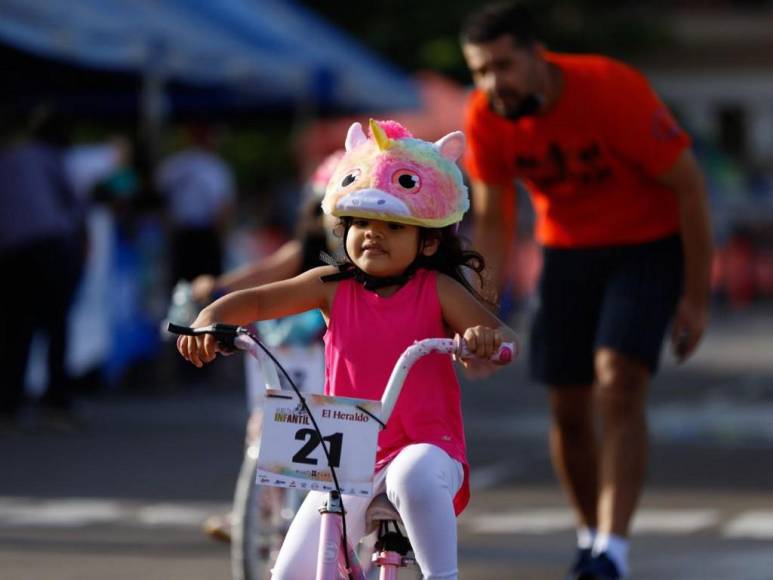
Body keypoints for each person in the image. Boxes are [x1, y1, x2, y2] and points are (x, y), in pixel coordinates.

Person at [177, 119, 518, 579]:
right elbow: (258, 301)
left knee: (411, 475)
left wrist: (485, 340)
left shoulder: (437, 289)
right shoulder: (331, 286)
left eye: (394, 226)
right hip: (346, 455)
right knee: (290, 574)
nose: (373, 234)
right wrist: (206, 321)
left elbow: (503, 339)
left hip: (426, 446)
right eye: (362, 223)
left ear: (429, 240)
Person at [459, 3, 713, 579]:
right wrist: (482, 309)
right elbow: (496, 221)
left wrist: (695, 296)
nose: (493, 82)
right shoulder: (486, 116)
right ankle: (589, 538)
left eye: (504, 65)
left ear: (537, 54)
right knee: (568, 407)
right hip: (567, 254)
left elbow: (691, 188)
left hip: (646, 248)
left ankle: (614, 553)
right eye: (479, 71)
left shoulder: (610, 90)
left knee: (619, 382)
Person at [189, 149, 344, 543]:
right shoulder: (310, 257)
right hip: (293, 358)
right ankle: (258, 507)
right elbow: (259, 281)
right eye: (339, 215)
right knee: (268, 426)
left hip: (340, 372)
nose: (352, 230)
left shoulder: (379, 271)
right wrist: (219, 290)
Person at [0, 107, 86, 428]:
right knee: (55, 326)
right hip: (48, 248)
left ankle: (8, 404)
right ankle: (56, 402)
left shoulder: (8, 158)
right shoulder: (51, 158)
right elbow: (75, 205)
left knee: (15, 329)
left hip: (11, 253)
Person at [156, 123, 235, 284]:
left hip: (192, 236)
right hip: (196, 237)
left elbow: (161, 202)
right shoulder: (215, 166)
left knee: (185, 288)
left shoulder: (174, 165)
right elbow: (223, 208)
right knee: (204, 288)